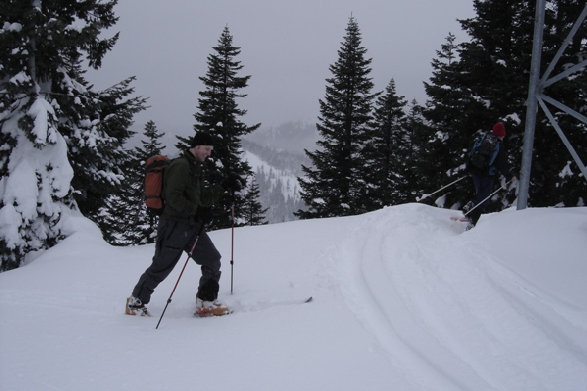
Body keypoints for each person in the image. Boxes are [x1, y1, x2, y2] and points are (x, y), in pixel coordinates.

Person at [126, 132, 230, 317]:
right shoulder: (181, 166)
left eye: (211, 150)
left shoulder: (194, 166)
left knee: (212, 259)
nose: (209, 153)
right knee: (162, 266)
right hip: (174, 226)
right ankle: (135, 303)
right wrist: (196, 210)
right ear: (197, 146)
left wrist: (223, 187)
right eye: (207, 149)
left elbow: (198, 198)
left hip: (191, 226)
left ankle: (205, 301)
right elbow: (173, 197)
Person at [466, 121, 516, 227]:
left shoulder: (483, 138)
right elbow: (501, 164)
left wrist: (469, 169)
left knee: (480, 194)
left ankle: (470, 214)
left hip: (475, 171)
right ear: (502, 134)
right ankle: (472, 219)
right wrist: (509, 176)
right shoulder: (498, 145)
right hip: (486, 174)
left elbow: (471, 153)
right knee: (484, 198)